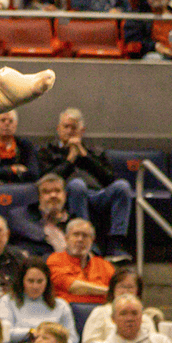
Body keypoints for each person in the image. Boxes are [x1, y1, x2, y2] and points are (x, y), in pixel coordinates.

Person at [35, 109, 131, 260]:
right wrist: (70, 159)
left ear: (82, 131)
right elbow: (47, 179)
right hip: (68, 195)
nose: (69, 131)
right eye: (66, 127)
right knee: (77, 184)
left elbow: (109, 178)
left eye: (73, 128)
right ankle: (86, 239)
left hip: (97, 194)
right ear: (58, 129)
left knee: (122, 187)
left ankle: (116, 244)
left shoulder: (94, 150)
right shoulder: (46, 151)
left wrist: (84, 155)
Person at [0, 257, 76, 343]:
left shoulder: (61, 305)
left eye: (40, 281)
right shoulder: (7, 301)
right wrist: (33, 332)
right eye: (30, 281)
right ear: (21, 281)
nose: (35, 286)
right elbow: (4, 334)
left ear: (47, 282)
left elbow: (72, 338)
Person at [81, 268, 164, 343]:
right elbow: (89, 342)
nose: (125, 291)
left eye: (130, 287)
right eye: (121, 287)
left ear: (137, 292)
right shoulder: (100, 312)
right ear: (113, 290)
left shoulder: (145, 317)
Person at [48, 219, 115, 306]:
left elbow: (117, 290)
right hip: (69, 311)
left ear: (92, 240)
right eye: (76, 234)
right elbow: (74, 287)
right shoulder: (55, 260)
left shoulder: (105, 265)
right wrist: (109, 291)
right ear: (66, 238)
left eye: (85, 236)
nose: (80, 239)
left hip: (101, 312)